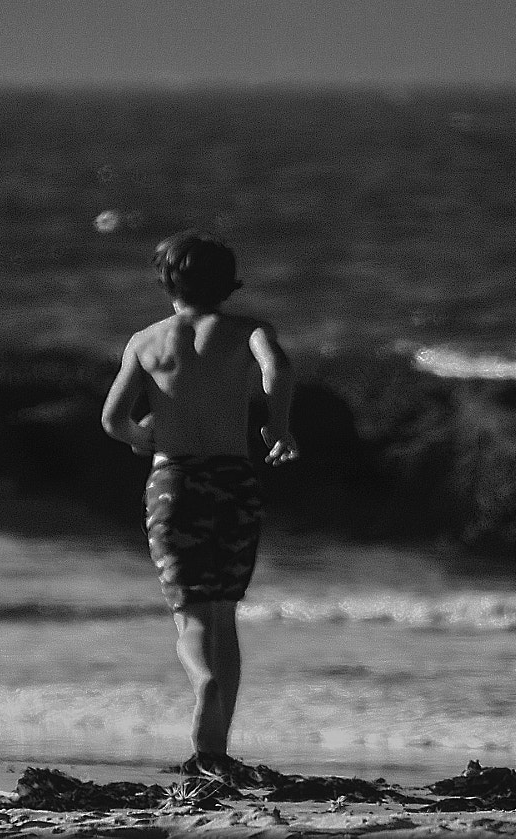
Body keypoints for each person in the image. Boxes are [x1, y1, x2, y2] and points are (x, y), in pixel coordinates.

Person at [100, 231, 299, 778]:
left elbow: (112, 419)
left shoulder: (147, 342)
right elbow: (278, 369)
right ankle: (215, 748)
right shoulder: (247, 330)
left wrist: (142, 436)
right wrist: (276, 424)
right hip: (234, 480)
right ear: (228, 282)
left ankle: (200, 681)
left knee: (188, 613)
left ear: (167, 280)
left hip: (174, 482)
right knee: (223, 612)